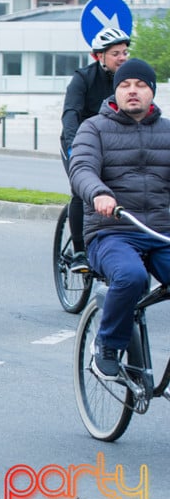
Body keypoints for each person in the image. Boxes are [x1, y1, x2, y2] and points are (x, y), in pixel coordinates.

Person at [69, 58, 170, 380]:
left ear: (152, 91)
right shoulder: (94, 128)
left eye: (140, 85)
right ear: (116, 91)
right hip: (112, 231)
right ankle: (107, 346)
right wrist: (98, 192)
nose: (133, 91)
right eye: (125, 85)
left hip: (161, 232)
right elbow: (81, 168)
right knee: (130, 276)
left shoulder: (167, 131)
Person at [60, 27, 131, 273]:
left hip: (113, 143)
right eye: (115, 53)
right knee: (81, 190)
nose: (122, 58)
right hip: (80, 142)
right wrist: (72, 147)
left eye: (125, 52)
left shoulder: (128, 81)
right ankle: (79, 251)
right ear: (98, 56)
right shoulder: (83, 78)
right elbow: (71, 114)